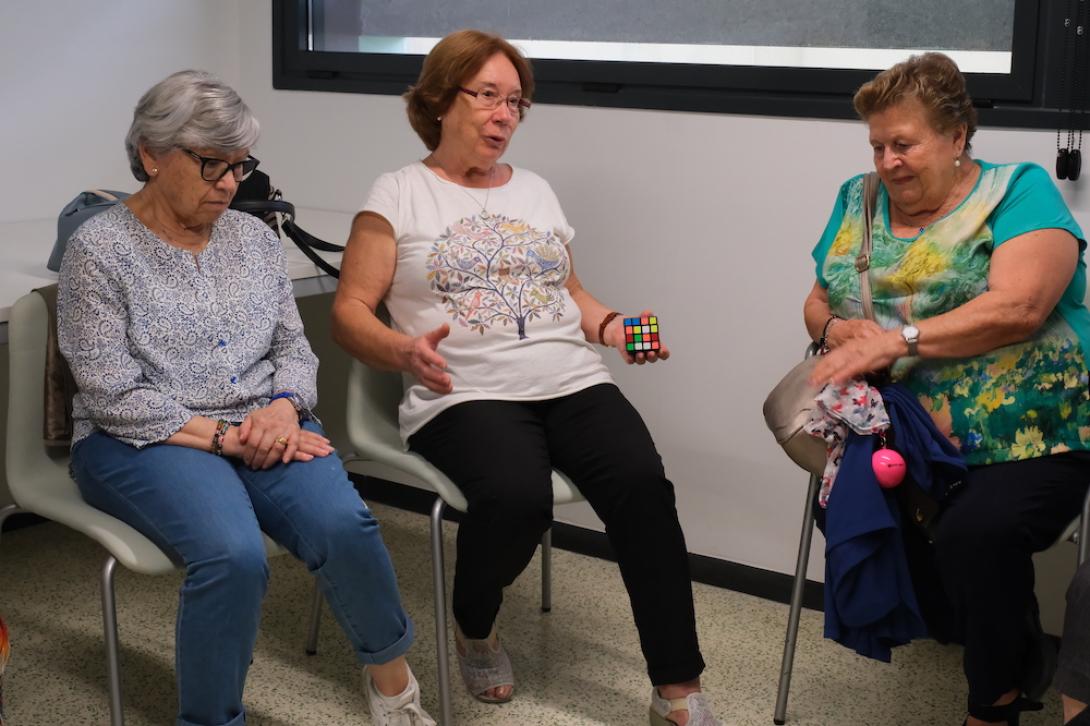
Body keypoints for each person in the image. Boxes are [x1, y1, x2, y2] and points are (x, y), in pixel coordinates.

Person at [331, 29, 721, 726]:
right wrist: (402, 351)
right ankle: (475, 623)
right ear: (441, 100)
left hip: (571, 379)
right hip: (466, 392)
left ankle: (678, 690)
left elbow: (572, 295)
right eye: (488, 96)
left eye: (516, 102)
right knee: (518, 497)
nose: (505, 115)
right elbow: (350, 312)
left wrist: (618, 328)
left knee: (642, 487)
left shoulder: (535, 190)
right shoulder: (399, 193)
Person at [58, 70, 435, 726]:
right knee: (231, 556)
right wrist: (228, 439)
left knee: (343, 524)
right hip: (143, 437)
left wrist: (284, 408)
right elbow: (111, 391)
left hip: (264, 419)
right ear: (151, 154)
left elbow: (294, 348)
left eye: (240, 165)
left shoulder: (255, 238)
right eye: (212, 163)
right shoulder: (99, 249)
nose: (230, 183)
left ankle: (392, 682)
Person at [806, 52, 1090, 726]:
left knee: (975, 535)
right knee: (852, 512)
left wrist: (896, 341)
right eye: (878, 146)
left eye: (903, 144)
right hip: (900, 434)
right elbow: (816, 302)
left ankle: (992, 701)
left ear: (957, 136)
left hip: (1030, 435)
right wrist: (839, 328)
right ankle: (1007, 646)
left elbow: (1020, 307)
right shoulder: (856, 199)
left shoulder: (1018, 191)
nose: (888, 162)